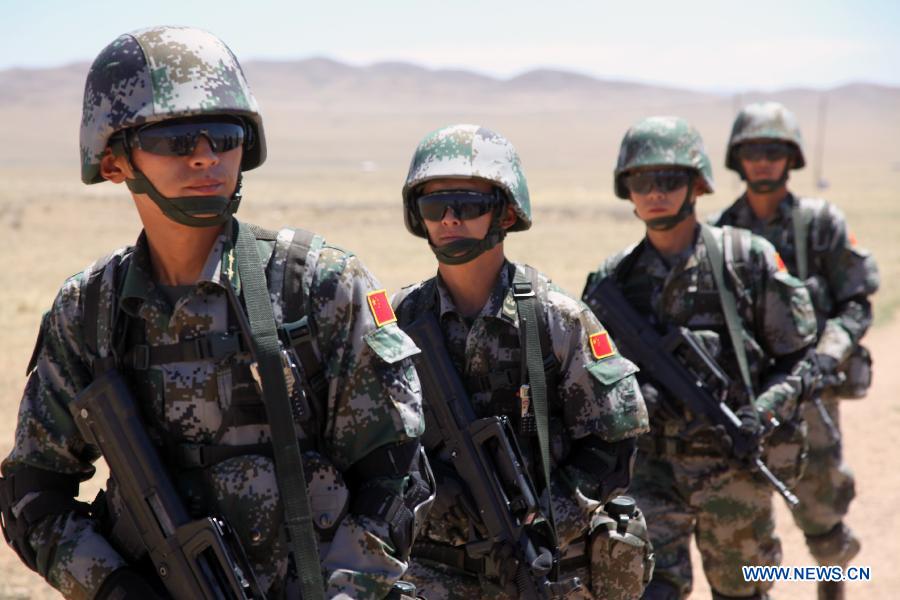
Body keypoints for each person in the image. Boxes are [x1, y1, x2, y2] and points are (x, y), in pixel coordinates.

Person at [0, 26, 431, 600]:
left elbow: (396, 478)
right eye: (176, 140)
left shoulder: (319, 287)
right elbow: (32, 495)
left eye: (225, 137)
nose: (205, 156)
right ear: (114, 161)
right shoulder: (88, 311)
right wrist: (117, 588)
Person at [392, 123, 654, 599]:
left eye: (467, 205)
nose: (449, 219)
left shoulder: (556, 320)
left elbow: (613, 445)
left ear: (506, 213)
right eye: (434, 207)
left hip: (541, 567)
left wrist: (543, 524)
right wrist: (429, 490)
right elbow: (371, 442)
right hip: (435, 574)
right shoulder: (401, 319)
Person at [582, 116, 818, 600]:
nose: (655, 193)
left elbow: (799, 359)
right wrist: (633, 397)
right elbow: (590, 378)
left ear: (697, 186)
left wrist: (762, 411)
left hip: (733, 469)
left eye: (669, 180)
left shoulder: (745, 259)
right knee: (650, 591)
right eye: (641, 181)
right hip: (649, 472)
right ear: (627, 191)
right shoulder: (614, 279)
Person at [709, 101, 879, 600]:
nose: (763, 162)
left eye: (773, 151)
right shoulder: (720, 233)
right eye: (753, 152)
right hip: (746, 400)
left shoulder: (820, 223)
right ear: (737, 160)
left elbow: (855, 303)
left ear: (791, 158)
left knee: (823, 516)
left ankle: (832, 588)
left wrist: (824, 357)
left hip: (809, 394)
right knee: (744, 520)